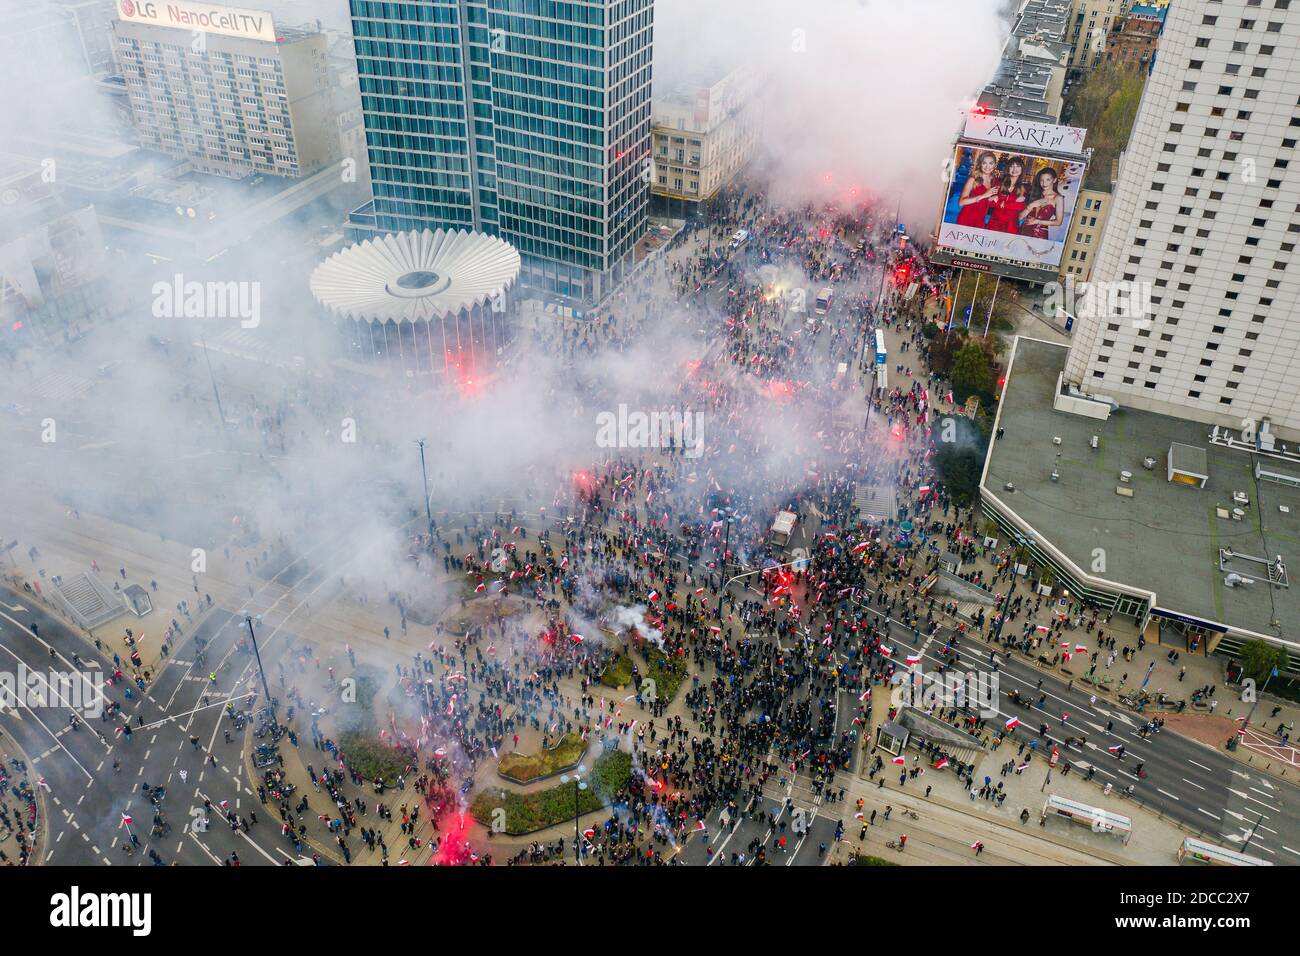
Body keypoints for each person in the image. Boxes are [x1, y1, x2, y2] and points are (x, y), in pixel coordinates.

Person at [954, 152, 1000, 229]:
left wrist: (990, 199)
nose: (987, 166)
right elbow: (961, 202)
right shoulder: (973, 179)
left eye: (991, 163)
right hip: (966, 218)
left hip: (980, 219)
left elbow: (985, 201)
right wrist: (984, 195)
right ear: (980, 164)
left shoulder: (994, 181)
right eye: (984, 163)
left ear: (995, 165)